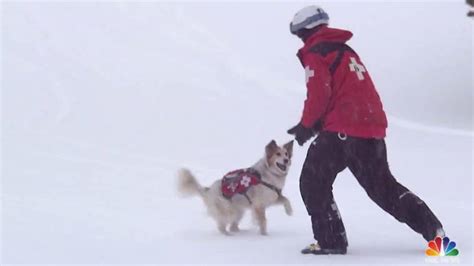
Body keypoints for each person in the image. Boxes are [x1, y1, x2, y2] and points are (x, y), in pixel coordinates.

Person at [286, 5, 445, 255]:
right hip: (369, 129)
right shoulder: (346, 51)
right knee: (383, 188)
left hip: (342, 131)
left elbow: (319, 92)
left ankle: (331, 242)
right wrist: (319, 123)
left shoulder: (316, 51)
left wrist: (307, 125)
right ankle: (432, 228)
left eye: (298, 34)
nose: (300, 40)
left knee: (313, 182)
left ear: (306, 30)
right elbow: (349, 92)